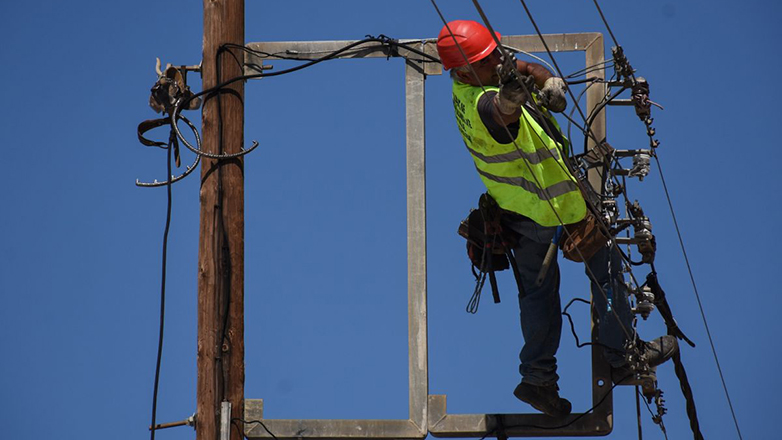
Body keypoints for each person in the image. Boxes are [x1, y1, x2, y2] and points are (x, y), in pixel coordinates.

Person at [436, 20, 678, 418]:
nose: (497, 60)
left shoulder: (474, 77)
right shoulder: (480, 103)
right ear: (463, 71)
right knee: (606, 267)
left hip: (517, 213)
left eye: (496, 52)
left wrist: (545, 81)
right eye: (486, 59)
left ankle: (537, 380)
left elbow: (521, 70)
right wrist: (512, 101)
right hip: (554, 209)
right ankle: (623, 357)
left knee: (537, 295)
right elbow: (500, 114)